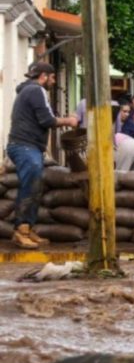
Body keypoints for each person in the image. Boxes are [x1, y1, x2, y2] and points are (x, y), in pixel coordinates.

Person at [5, 61, 78, 248]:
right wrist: (69, 121)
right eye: (52, 78)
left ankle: (28, 228)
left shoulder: (27, 91)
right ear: (43, 76)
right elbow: (47, 120)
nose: (53, 82)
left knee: (35, 187)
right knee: (30, 187)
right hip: (24, 147)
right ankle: (20, 230)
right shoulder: (36, 90)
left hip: (28, 147)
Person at [113, 103, 134, 171]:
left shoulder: (126, 124)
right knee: (133, 178)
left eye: (128, 112)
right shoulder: (128, 123)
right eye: (124, 111)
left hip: (128, 148)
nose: (127, 114)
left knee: (120, 176)